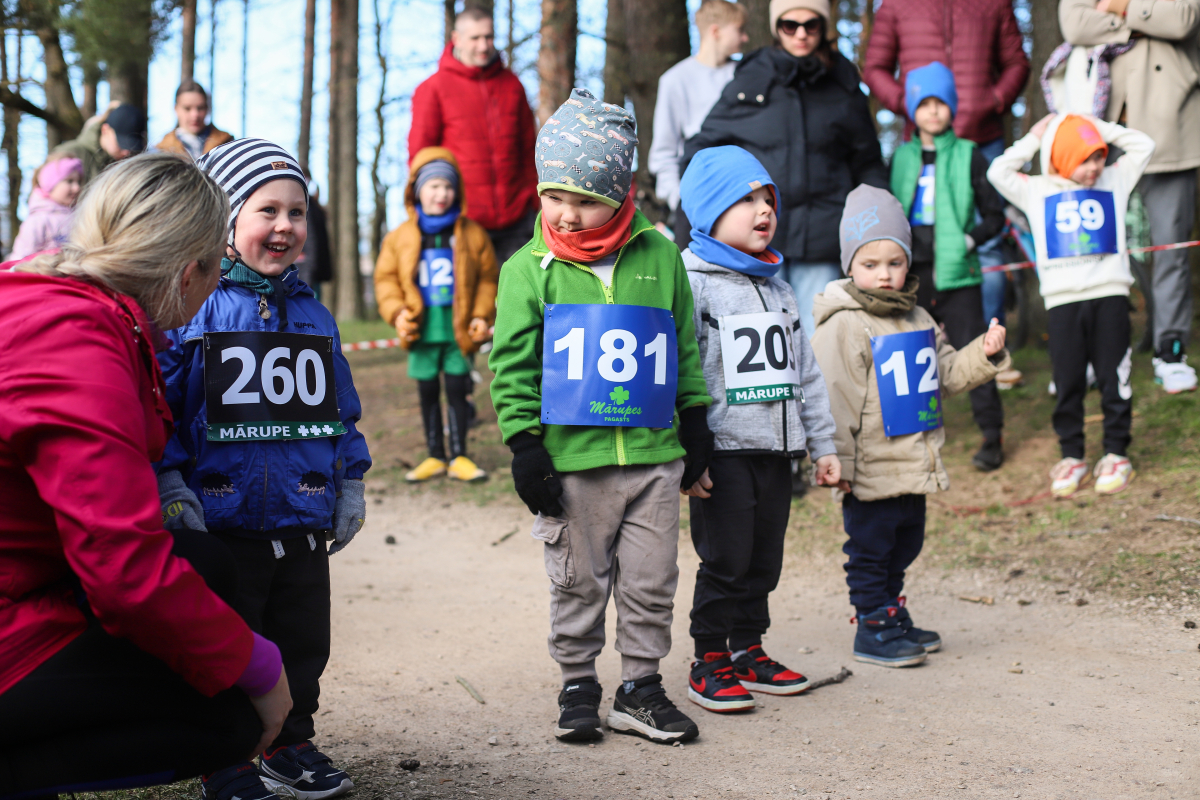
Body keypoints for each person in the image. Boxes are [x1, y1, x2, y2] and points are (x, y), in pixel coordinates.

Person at [0, 153, 291, 797]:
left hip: (19, 580)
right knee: (229, 720)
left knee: (200, 565)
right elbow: (121, 566)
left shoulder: (41, 292)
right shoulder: (74, 338)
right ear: (191, 271)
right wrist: (259, 665)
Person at [489, 88, 712, 744]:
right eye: (553, 196)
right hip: (572, 465)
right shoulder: (527, 270)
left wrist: (695, 421)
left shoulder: (660, 255)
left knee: (651, 580)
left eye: (584, 199)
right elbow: (512, 367)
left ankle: (641, 685)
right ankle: (578, 681)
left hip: (652, 462)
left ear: (621, 193)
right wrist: (525, 444)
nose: (567, 213)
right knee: (578, 581)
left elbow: (685, 347)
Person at [156, 139, 372, 800]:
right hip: (221, 521)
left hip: (303, 516)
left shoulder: (315, 315)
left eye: (297, 212)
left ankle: (290, 742)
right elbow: (160, 403)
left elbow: (342, 409)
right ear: (223, 222)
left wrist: (352, 478)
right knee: (228, 636)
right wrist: (169, 480)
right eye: (266, 210)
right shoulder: (193, 308)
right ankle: (224, 755)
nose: (284, 226)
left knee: (303, 639)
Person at [811, 185, 1009, 668]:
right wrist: (839, 461)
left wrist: (982, 355)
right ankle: (871, 624)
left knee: (905, 542)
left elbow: (944, 374)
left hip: (912, 460)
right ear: (849, 266)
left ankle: (891, 609)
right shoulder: (844, 325)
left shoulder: (918, 315)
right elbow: (833, 399)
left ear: (908, 263)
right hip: (870, 466)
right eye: (870, 264)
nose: (884, 274)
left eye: (894, 262)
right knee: (871, 548)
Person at [677, 146, 840, 712]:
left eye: (767, 198)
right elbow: (680, 370)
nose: (762, 209)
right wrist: (686, 455)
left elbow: (807, 373)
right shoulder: (690, 282)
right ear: (708, 212)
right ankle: (708, 660)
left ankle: (748, 648)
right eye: (744, 200)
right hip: (723, 449)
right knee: (725, 556)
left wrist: (823, 444)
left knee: (764, 557)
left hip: (778, 449)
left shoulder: (780, 286)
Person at [685, 0, 888, 338]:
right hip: (752, 242)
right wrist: (709, 213)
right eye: (789, 25)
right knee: (757, 346)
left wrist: (874, 226)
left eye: (812, 25)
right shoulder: (752, 76)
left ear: (824, 28)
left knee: (816, 340)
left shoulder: (844, 83)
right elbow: (703, 149)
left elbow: (868, 163)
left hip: (824, 236)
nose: (801, 34)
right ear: (777, 27)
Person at [988, 114, 1155, 498]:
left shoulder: (1114, 179)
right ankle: (1072, 455)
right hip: (1063, 303)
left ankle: (1116, 452)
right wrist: (1033, 137)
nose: (1095, 167)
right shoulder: (1037, 189)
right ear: (1061, 158)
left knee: (1116, 376)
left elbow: (1144, 145)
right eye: (1084, 158)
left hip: (1110, 296)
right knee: (1067, 381)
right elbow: (999, 171)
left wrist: (1097, 126)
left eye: (1099, 156)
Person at [1059, 0, 1200, 395]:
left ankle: (1170, 351)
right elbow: (1073, 24)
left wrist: (1119, 7)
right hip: (1100, 130)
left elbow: (1184, 19)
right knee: (1095, 245)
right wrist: (1139, 24)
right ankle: (1094, 352)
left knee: (1169, 247)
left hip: (1170, 127)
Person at [863, 0, 1029, 334]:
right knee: (915, 249)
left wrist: (991, 102)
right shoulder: (896, 5)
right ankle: (925, 351)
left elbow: (1016, 63)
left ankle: (988, 345)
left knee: (988, 250)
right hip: (920, 148)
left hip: (982, 140)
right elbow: (875, 67)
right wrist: (907, 102)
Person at [890, 62, 1008, 472]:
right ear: (912, 111)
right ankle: (911, 435)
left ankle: (991, 436)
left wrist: (969, 240)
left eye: (941, 103)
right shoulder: (901, 158)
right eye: (924, 103)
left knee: (976, 350)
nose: (933, 111)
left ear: (953, 108)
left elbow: (995, 213)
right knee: (908, 355)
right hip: (911, 275)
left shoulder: (970, 155)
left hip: (958, 275)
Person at [374, 147, 497, 483]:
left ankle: (459, 456)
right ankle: (434, 455)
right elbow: (385, 279)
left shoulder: (472, 234)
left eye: (448, 186)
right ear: (416, 190)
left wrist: (483, 314)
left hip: (458, 331)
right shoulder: (399, 237)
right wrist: (397, 312)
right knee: (427, 392)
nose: (441, 194)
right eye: (433, 186)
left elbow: (488, 278)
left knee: (458, 390)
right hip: (421, 330)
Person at [409, 7, 538, 265]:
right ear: (456, 38)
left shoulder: (513, 86)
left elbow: (529, 150)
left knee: (518, 302)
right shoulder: (432, 89)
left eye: (489, 37)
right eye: (475, 38)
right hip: (463, 220)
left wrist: (535, 201)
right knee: (472, 304)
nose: (484, 45)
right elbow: (421, 157)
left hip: (518, 218)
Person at [648, 0, 747, 218]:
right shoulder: (675, 80)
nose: (745, 37)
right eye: (739, 30)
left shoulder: (746, 75)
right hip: (697, 202)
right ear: (716, 31)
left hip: (744, 196)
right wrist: (680, 201)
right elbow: (664, 153)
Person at [51, 101, 147, 185]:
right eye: (121, 143)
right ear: (105, 130)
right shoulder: (69, 154)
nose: (126, 152)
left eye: (131, 146)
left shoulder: (125, 166)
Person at [8, 155, 83, 260]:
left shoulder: (80, 216)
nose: (77, 188)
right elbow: (20, 259)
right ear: (50, 184)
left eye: (78, 181)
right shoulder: (38, 220)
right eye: (69, 181)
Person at [154, 81, 234, 160]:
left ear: (207, 108)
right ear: (176, 109)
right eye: (187, 108)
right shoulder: (161, 151)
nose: (195, 114)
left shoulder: (227, 145)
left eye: (200, 108)